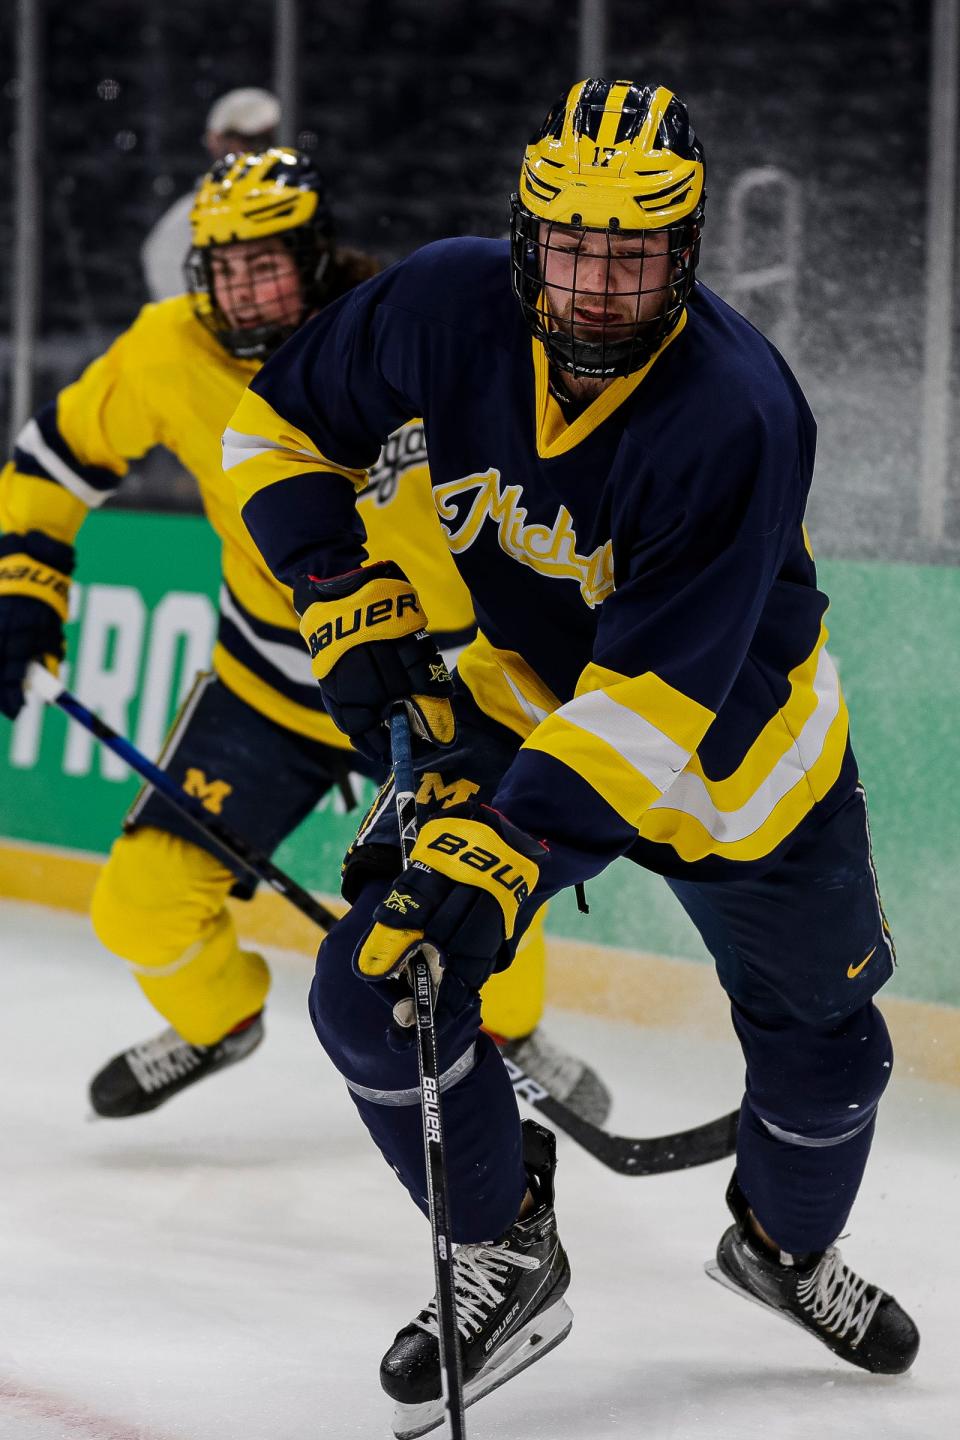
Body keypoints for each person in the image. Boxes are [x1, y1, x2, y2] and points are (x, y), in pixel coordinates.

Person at [223, 79, 920, 1435]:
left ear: (688, 250)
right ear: (525, 233)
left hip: (739, 757)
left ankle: (784, 1254)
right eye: (573, 248)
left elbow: (654, 705)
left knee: (830, 1053)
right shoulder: (442, 304)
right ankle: (503, 1247)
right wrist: (342, 591)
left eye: (635, 253)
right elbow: (277, 428)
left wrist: (503, 850)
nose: (599, 285)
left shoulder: (737, 411)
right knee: (378, 988)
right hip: (529, 707)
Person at [0, 147, 606, 1126]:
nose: (243, 290)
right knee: (139, 904)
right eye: (223, 267)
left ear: (318, 252)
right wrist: (26, 588)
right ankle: (220, 1019)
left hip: (440, 672)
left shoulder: (402, 326)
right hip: (271, 677)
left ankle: (506, 1028)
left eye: (266, 262)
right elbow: (49, 461)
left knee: (484, 885)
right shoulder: (167, 352)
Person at [141, 87, 281, 302]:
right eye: (244, 139)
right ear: (214, 141)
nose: (255, 150)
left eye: (264, 139)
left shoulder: (296, 205)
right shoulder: (189, 220)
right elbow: (175, 292)